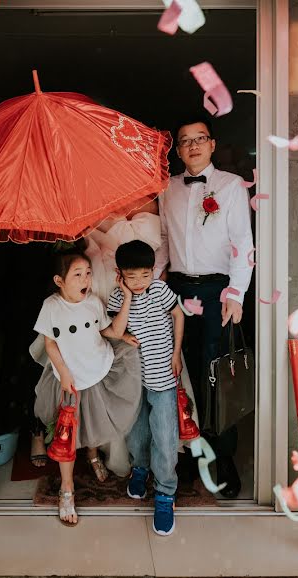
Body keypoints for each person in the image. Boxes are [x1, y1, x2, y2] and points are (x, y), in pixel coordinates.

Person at [154, 115, 254, 498]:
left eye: (200, 139)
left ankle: (222, 457)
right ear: (177, 150)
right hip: (175, 290)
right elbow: (164, 238)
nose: (192, 146)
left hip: (217, 293)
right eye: (184, 141)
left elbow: (243, 243)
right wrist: (158, 277)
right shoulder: (168, 189)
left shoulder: (230, 187)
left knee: (216, 378)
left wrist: (236, 294)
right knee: (175, 374)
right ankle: (183, 454)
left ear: (212, 145)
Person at [33, 247, 142, 526]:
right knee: (67, 435)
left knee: (93, 423)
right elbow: (50, 343)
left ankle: (93, 455)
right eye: (78, 274)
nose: (85, 280)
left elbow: (108, 330)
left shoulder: (93, 302)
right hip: (69, 380)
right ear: (60, 280)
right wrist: (63, 371)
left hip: (97, 370)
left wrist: (125, 312)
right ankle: (66, 488)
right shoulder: (51, 306)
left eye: (88, 274)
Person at [107, 240, 185, 536]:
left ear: (153, 271)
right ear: (120, 275)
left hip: (163, 375)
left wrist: (176, 352)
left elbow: (178, 315)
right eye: (131, 277)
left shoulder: (161, 290)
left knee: (165, 434)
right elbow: (117, 328)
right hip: (133, 377)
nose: (139, 282)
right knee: (136, 429)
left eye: (145, 274)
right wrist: (126, 296)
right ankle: (140, 468)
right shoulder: (119, 296)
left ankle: (165, 493)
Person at [84, 200, 161, 476]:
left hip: (145, 287)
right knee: (111, 369)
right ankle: (112, 446)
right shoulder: (94, 197)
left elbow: (157, 245)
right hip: (106, 286)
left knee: (148, 376)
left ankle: (154, 452)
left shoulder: (153, 194)